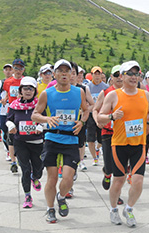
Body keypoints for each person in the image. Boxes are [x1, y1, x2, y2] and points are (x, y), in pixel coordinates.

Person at [98, 60, 149, 227]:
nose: (133, 77)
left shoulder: (145, 95)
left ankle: (129, 209)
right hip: (119, 144)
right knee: (119, 181)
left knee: (138, 181)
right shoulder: (114, 95)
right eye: (130, 73)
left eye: (136, 74)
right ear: (121, 76)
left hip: (139, 144)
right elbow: (100, 117)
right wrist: (112, 117)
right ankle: (114, 209)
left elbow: (148, 115)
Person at [32, 59, 89, 223]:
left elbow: (85, 111)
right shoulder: (47, 93)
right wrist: (47, 119)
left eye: (67, 70)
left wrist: (82, 122)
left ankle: (61, 196)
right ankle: (50, 209)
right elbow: (35, 114)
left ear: (72, 74)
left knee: (69, 177)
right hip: (52, 138)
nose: (64, 73)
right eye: (60, 70)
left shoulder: (79, 92)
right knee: (52, 178)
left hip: (71, 139)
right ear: (54, 74)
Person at [6, 77, 43, 208]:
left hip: (37, 142)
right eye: (25, 88)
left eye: (31, 88)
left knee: (39, 167)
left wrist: (40, 126)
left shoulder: (40, 105)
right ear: (20, 90)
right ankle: (27, 196)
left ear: (35, 91)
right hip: (20, 141)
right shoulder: (14, 105)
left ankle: (36, 176)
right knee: (25, 169)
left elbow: (45, 119)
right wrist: (10, 125)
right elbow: (8, 119)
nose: (28, 91)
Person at [92, 64, 124, 205]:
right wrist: (97, 121)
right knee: (110, 165)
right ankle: (106, 173)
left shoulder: (130, 92)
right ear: (111, 77)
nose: (119, 78)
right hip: (108, 132)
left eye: (121, 75)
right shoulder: (105, 92)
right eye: (116, 75)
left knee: (120, 166)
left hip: (124, 134)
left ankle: (117, 195)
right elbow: (95, 109)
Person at [2, 59, 26, 173]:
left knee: (23, 135)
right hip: (11, 111)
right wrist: (4, 99)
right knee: (11, 136)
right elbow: (7, 93)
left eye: (20, 68)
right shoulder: (8, 82)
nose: (18, 70)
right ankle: (13, 162)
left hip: (23, 110)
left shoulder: (25, 81)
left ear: (23, 69)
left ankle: (24, 158)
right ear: (12, 69)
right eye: (16, 68)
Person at [86, 66, 109, 166]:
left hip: (101, 115)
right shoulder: (88, 87)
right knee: (90, 139)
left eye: (98, 74)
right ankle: (95, 158)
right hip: (91, 115)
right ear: (91, 75)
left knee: (101, 139)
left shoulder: (105, 87)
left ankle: (98, 148)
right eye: (95, 74)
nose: (97, 76)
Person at [0, 63, 13, 161]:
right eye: (6, 69)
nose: (8, 71)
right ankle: (8, 150)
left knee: (13, 131)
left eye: (10, 69)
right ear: (3, 71)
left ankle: (13, 151)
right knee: (4, 130)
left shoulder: (17, 82)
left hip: (14, 110)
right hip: (3, 111)